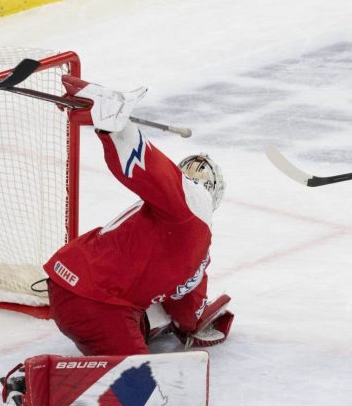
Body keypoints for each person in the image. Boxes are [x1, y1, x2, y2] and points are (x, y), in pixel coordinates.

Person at [42, 75, 233, 356]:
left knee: (152, 318)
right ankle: (28, 384)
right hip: (94, 301)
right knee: (138, 388)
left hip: (74, 284)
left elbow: (182, 300)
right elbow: (150, 170)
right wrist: (116, 124)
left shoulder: (175, 222)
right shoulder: (193, 209)